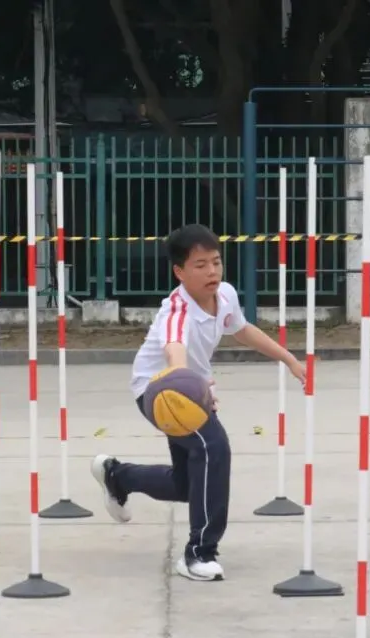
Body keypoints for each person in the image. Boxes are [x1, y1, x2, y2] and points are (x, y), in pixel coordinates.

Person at [90, 223, 306, 582]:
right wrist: (192, 388)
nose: (212, 272)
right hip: (158, 391)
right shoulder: (176, 311)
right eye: (200, 265)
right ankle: (199, 553)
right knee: (213, 448)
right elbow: (175, 352)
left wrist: (288, 359)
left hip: (187, 389)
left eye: (216, 262)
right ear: (180, 272)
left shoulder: (225, 295)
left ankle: (117, 475)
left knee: (189, 485)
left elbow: (242, 329)